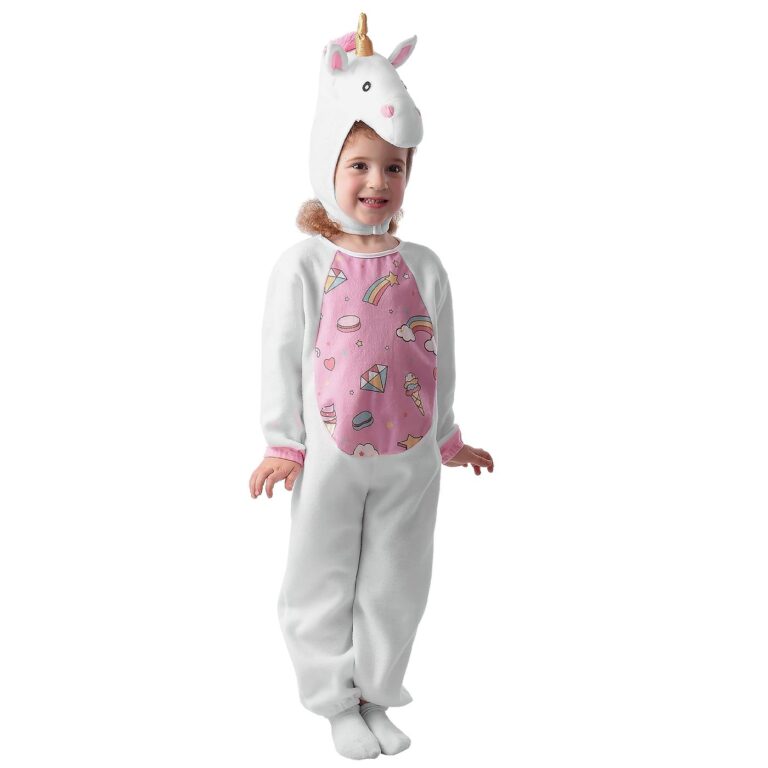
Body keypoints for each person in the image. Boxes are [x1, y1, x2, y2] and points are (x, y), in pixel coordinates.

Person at [248, 14, 494, 760]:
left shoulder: (425, 265)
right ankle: (333, 700)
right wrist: (283, 444)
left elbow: (440, 359)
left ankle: (378, 692)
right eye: (359, 165)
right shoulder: (303, 264)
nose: (378, 183)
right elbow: (281, 356)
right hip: (329, 459)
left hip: (410, 461)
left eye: (394, 168)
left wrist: (449, 438)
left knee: (397, 580)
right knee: (321, 576)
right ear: (328, 163)